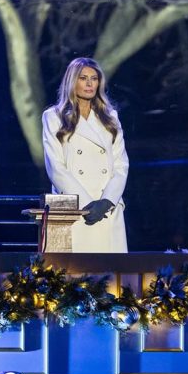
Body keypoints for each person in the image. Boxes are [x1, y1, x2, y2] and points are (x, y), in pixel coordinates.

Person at [42, 57, 129, 252]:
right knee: (67, 276)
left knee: (110, 276)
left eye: (94, 78)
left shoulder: (111, 118)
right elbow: (56, 167)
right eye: (83, 78)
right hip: (71, 209)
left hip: (107, 209)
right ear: (72, 81)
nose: (90, 84)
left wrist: (106, 201)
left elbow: (121, 165)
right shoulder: (53, 117)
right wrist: (87, 204)